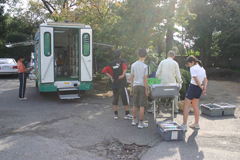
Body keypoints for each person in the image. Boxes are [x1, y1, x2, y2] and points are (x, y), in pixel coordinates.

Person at [102, 49, 133, 120]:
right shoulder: (123, 61)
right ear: (120, 55)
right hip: (122, 83)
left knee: (115, 98)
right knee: (125, 98)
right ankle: (127, 114)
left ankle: (115, 114)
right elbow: (125, 67)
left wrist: (111, 77)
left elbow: (104, 70)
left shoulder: (111, 63)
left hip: (114, 84)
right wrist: (122, 75)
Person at [181, 55, 208, 131]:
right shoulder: (202, 68)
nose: (189, 65)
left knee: (186, 105)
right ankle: (196, 123)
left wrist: (201, 87)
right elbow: (205, 80)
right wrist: (204, 89)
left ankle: (184, 124)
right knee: (195, 106)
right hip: (199, 89)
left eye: (189, 64)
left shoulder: (192, 68)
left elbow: (196, 80)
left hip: (193, 87)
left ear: (192, 62)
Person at [130, 48, 149, 129]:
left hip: (135, 85)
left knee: (135, 104)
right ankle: (141, 122)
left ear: (138, 55)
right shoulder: (145, 66)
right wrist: (146, 90)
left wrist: (131, 88)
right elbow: (145, 79)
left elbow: (132, 78)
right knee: (142, 105)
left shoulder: (133, 65)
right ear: (146, 56)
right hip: (142, 86)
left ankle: (134, 120)